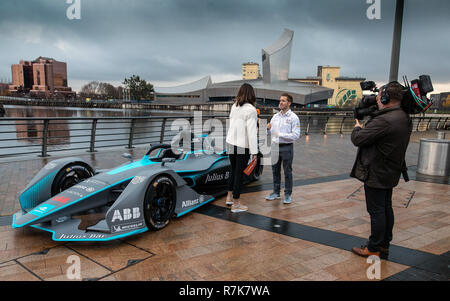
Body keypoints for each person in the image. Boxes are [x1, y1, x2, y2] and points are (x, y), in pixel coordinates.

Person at [350, 81, 412, 259]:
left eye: (378, 98)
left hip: (377, 171)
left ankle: (374, 247)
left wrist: (357, 127)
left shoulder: (384, 120)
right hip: (391, 170)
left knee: (376, 211)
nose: (376, 101)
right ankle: (384, 244)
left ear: (385, 98)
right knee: (385, 208)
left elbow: (358, 139)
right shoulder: (403, 116)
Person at [225, 83, 258, 213]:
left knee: (233, 170)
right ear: (252, 94)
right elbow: (251, 133)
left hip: (231, 142)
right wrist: (254, 152)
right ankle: (236, 204)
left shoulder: (235, 106)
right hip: (242, 145)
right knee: (239, 174)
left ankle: (229, 197)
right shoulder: (251, 110)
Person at [265, 93, 301, 204]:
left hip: (287, 147)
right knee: (275, 171)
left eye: (283, 101)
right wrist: (267, 129)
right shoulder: (275, 116)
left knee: (287, 172)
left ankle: (287, 194)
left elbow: (296, 135)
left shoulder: (294, 118)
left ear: (289, 103)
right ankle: (276, 193)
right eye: (280, 100)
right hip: (275, 146)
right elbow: (270, 132)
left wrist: (280, 134)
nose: (280, 102)